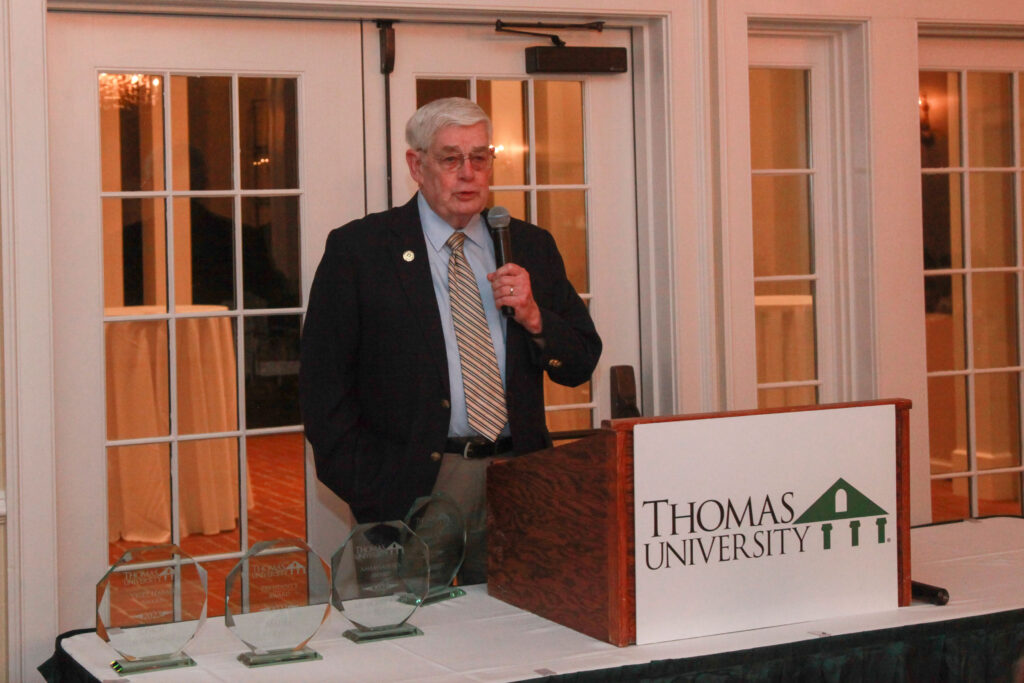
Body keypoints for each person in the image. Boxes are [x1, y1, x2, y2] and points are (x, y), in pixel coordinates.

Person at [299, 97, 601, 582]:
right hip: (409, 489)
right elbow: (323, 384)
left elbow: (583, 359)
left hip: (516, 480)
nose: (468, 173)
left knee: (514, 636)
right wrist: (369, 487)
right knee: (404, 640)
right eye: (451, 158)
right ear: (416, 165)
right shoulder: (360, 250)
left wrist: (534, 316)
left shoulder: (529, 245)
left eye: (480, 158)